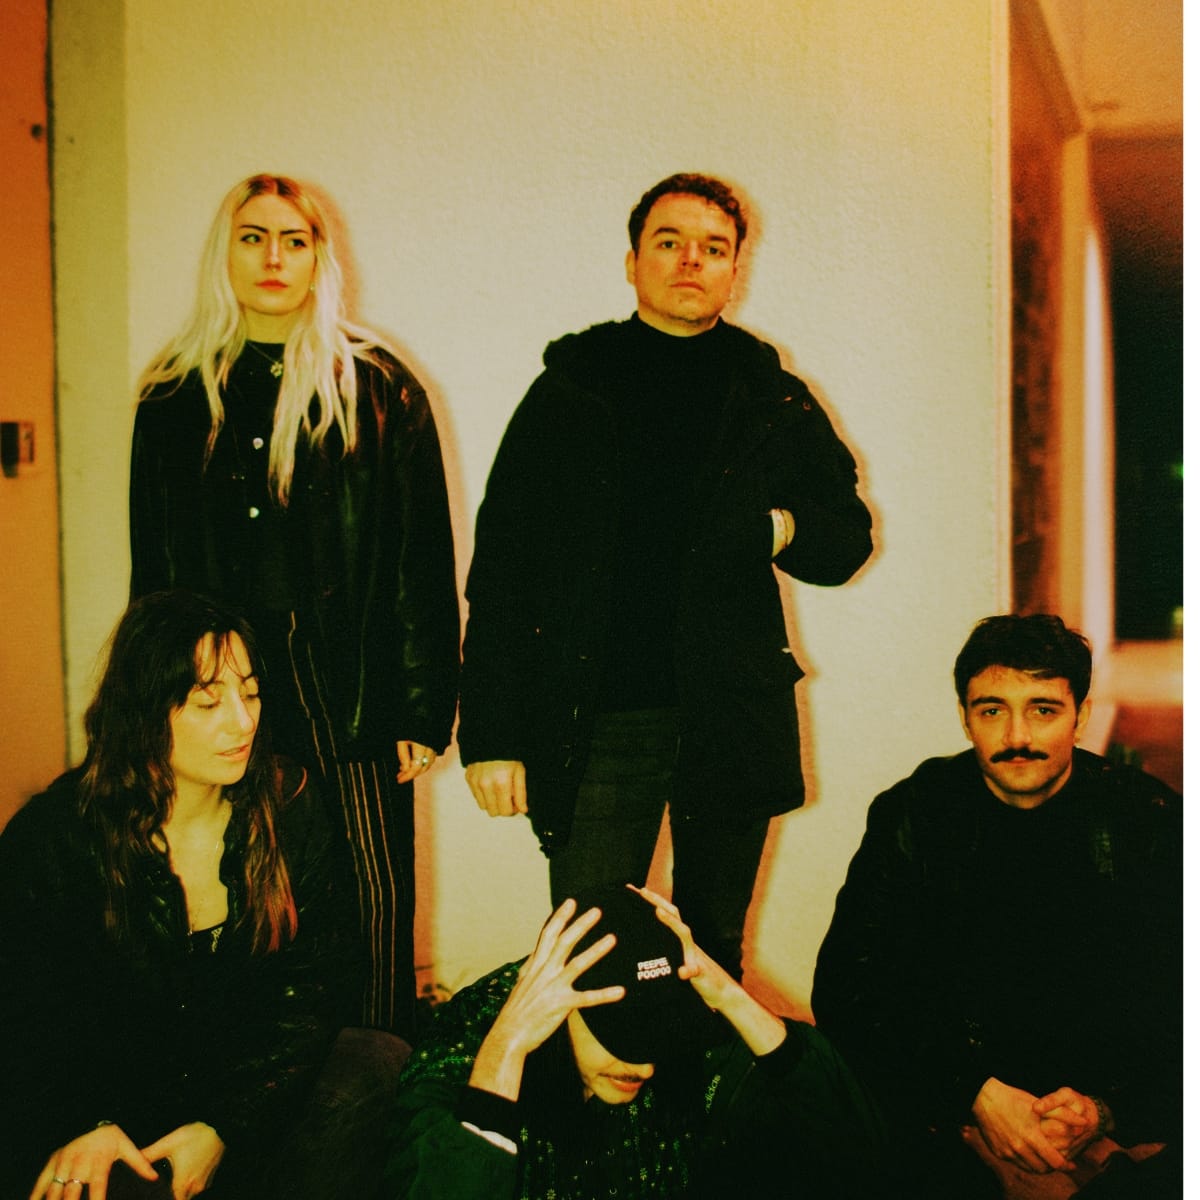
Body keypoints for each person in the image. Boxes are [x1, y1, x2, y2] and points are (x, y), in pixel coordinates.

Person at [458, 172, 872, 977]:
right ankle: (593, 1105)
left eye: (713, 248)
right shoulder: (571, 392)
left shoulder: (769, 396)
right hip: (602, 717)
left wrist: (777, 527)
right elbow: (503, 570)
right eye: (670, 243)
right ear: (632, 261)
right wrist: (492, 735)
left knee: (713, 954)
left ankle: (695, 1105)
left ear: (735, 270)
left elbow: (844, 539)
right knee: (589, 951)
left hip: (729, 715)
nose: (691, 261)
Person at [129, 173, 460, 1038]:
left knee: (370, 895)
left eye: (295, 239)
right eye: (252, 236)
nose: (273, 257)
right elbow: (152, 571)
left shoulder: (379, 387)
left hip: (346, 685)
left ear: (321, 256)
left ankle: (381, 1075)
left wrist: (423, 704)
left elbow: (421, 561)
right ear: (223, 253)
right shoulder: (172, 394)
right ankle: (258, 1096)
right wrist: (155, 698)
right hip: (218, 687)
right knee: (243, 887)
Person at [0, 591, 358, 1200]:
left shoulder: (289, 804)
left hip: (235, 1099)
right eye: (207, 701)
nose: (243, 723)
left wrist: (225, 1124)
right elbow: (24, 1021)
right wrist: (85, 1123)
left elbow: (312, 990)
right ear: (144, 713)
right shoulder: (55, 839)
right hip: (111, 1116)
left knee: (372, 1065)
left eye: (249, 693)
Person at [812, 614, 1181, 1198]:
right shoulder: (915, 815)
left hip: (1105, 1099)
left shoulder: (1146, 819)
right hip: (958, 1098)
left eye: (1043, 709)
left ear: (1080, 717)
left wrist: (1106, 1110)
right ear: (965, 718)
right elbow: (847, 989)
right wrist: (972, 1090)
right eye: (992, 711)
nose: (1017, 737)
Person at [385, 883, 886, 1198]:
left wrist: (734, 1002)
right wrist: (501, 1060)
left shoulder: (684, 1049)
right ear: (554, 1009)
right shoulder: (458, 1058)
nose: (645, 1066)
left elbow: (853, 1154)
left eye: (658, 1032)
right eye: (624, 1036)